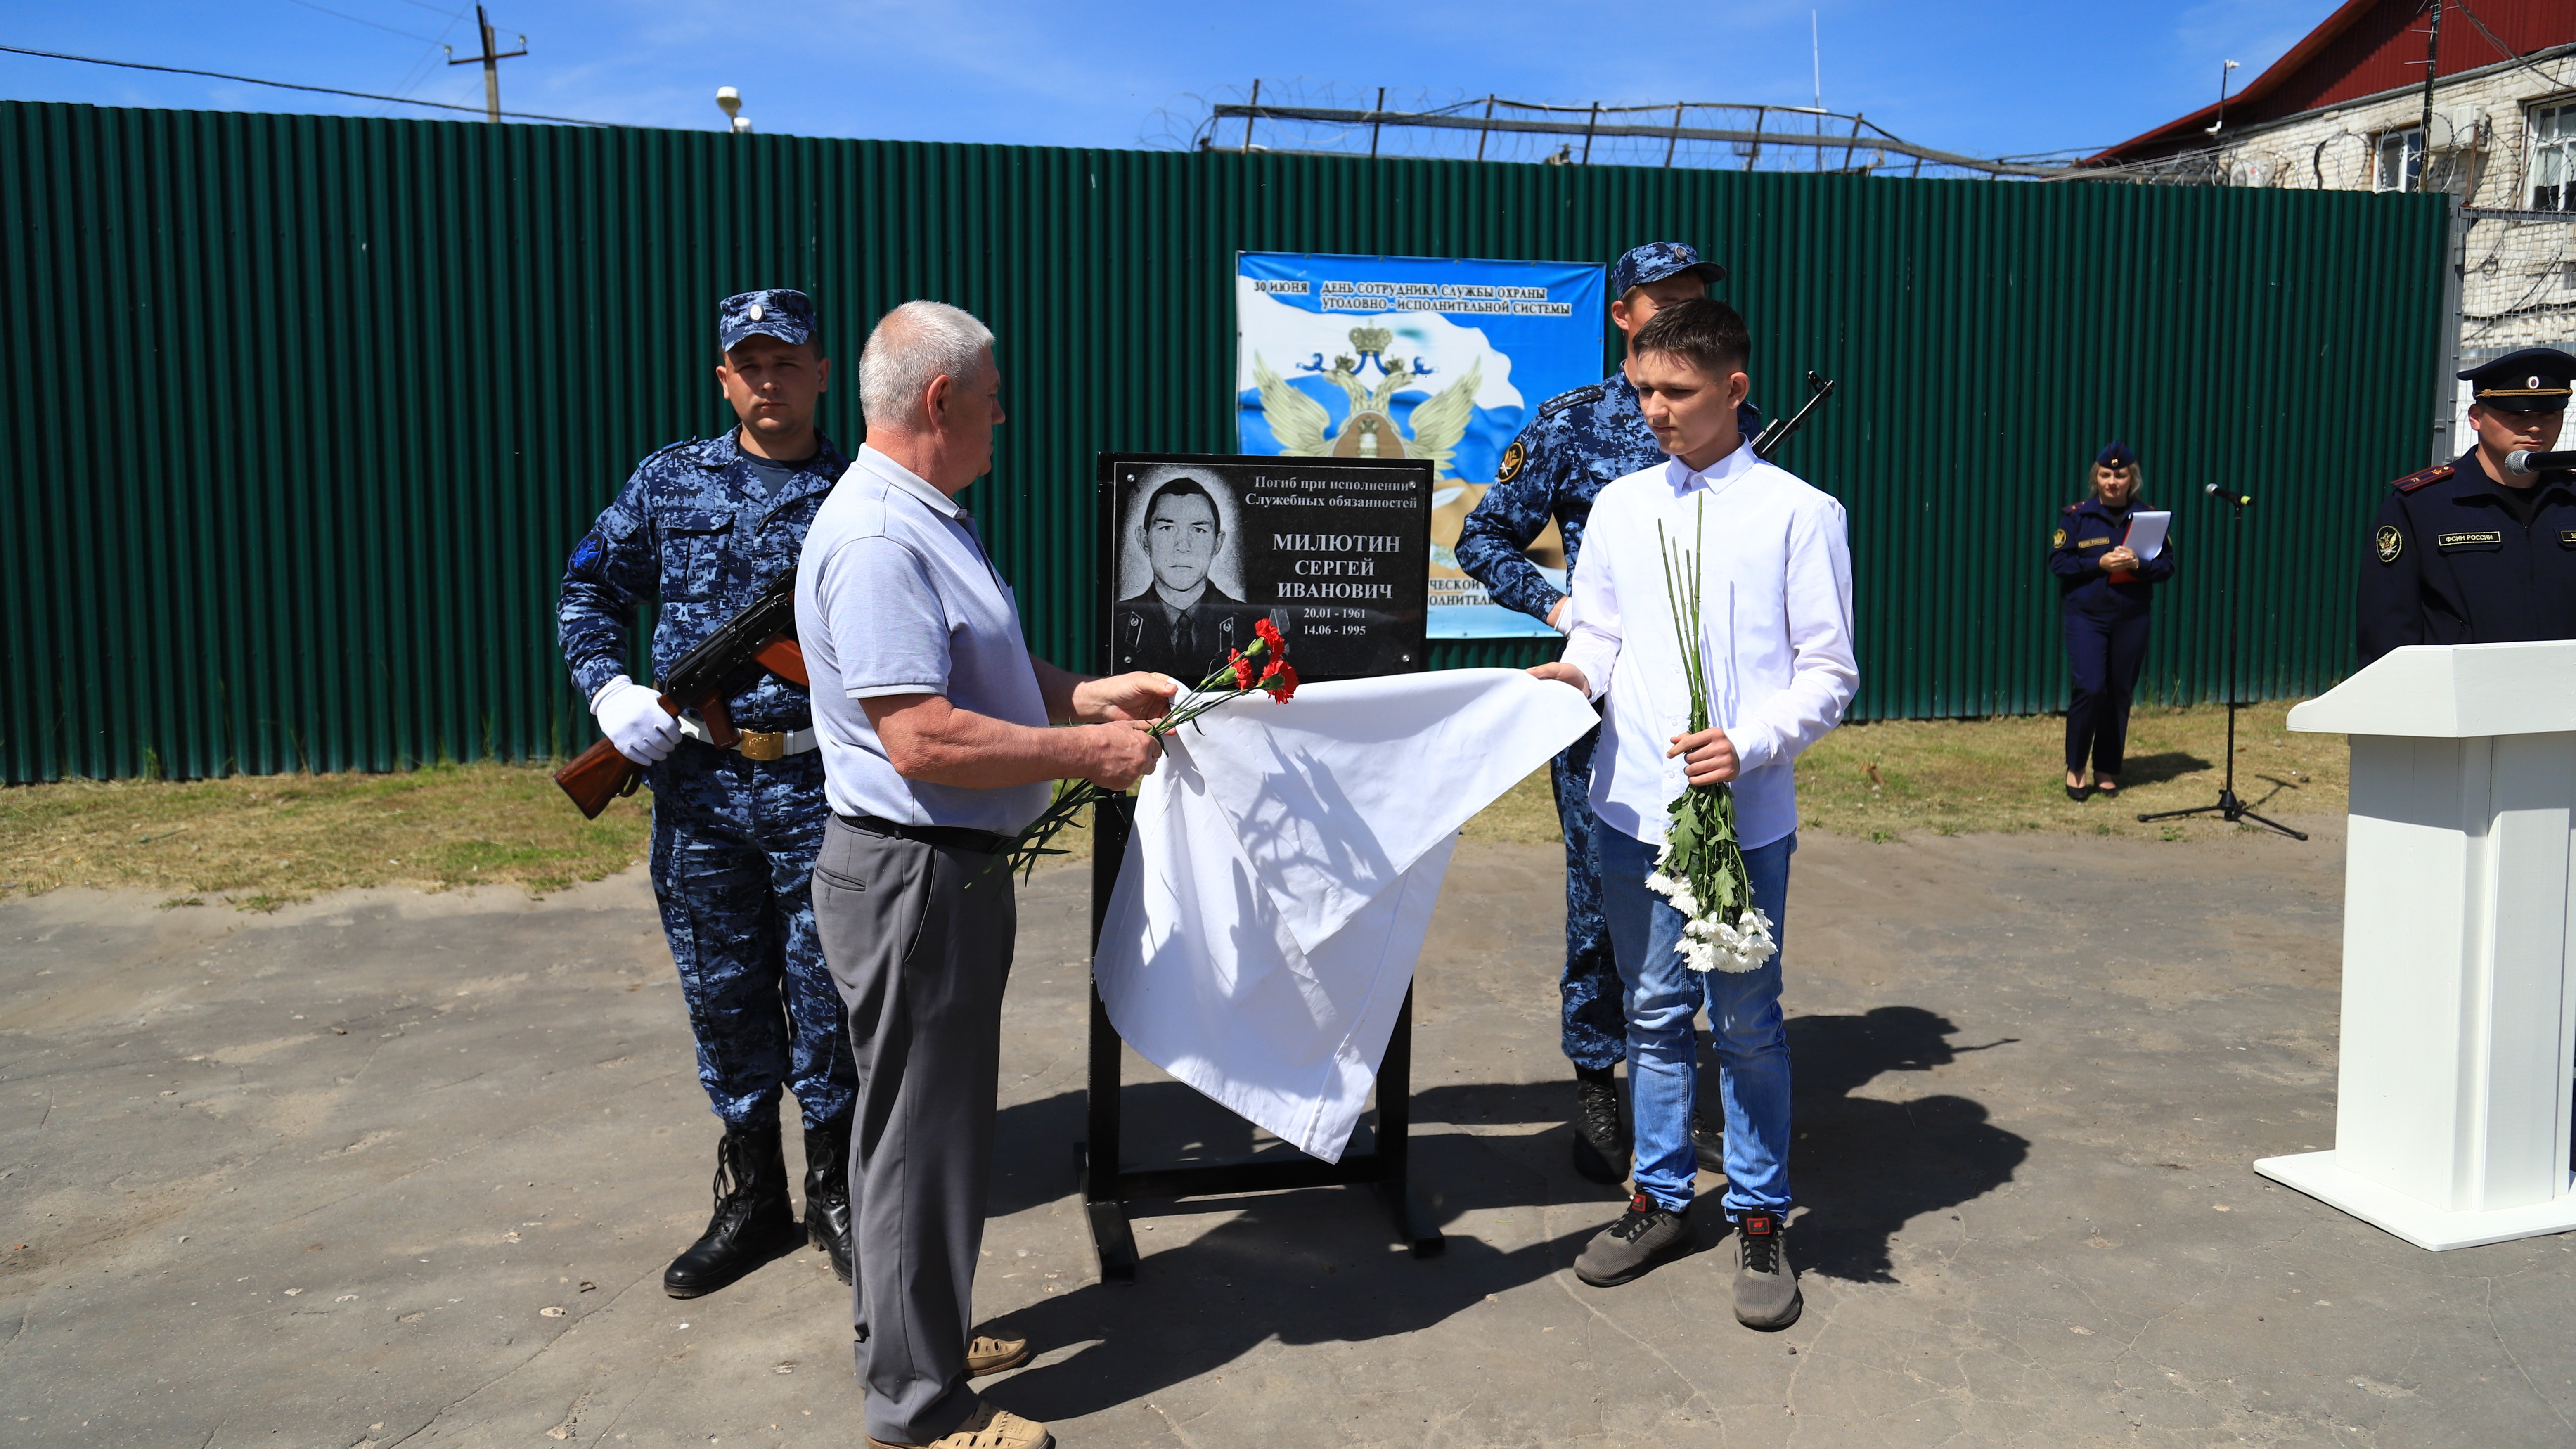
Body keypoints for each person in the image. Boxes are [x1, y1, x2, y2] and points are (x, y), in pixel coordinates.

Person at [797, 300, 1174, 1449]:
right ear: (939, 401)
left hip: (939, 871)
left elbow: (982, 674)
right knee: (917, 1135)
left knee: (935, 1129)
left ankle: (923, 1334)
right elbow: (922, 737)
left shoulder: (926, 517)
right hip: (916, 871)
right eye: (995, 391)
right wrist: (1092, 754)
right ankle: (918, 1408)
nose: (1005, 410)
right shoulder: (876, 538)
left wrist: (1085, 693)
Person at [1531, 297, 1857, 1328]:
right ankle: (1658, 1195)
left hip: (1743, 817)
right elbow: (1600, 636)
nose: (1654, 410)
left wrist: (1749, 742)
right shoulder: (1623, 506)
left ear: (1734, 388)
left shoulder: (1803, 513)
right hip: (1629, 805)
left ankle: (1759, 1211)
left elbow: (1829, 673)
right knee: (1653, 1011)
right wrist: (1565, 679)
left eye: (1674, 392)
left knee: (1748, 1023)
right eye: (1642, 390)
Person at [557, 289, 862, 1298]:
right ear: (723, 376)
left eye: (789, 361)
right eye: (751, 363)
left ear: (823, 373)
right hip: (698, 791)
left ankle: (836, 1187)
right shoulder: (669, 481)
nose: (770, 379)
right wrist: (608, 690)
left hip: (825, 783)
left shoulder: (868, 488)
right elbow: (590, 586)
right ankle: (752, 1193)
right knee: (722, 990)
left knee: (828, 999)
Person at [1455, 241, 1760, 1186]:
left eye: (1695, 304)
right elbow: (1481, 533)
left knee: (1711, 892)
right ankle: (1597, 1075)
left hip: (1709, 712)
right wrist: (1559, 608)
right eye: (1662, 304)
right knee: (1600, 901)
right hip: (1600, 710)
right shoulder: (1574, 423)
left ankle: (1681, 1084)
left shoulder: (1729, 420)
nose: (1680, 318)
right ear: (1621, 317)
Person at [2358, 348, 2576, 665]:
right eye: (2516, 415)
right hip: (2460, 700)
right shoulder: (2423, 505)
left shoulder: (2571, 498)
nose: (2534, 428)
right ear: (2476, 417)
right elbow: (2388, 626)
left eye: (2548, 415)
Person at [2048, 441, 2177, 801]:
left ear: (2131, 479)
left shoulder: (2149, 518)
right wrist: (2098, 564)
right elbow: (2059, 564)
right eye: (2106, 475)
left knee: (2119, 693)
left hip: (2132, 616)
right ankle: (2076, 767)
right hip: (2086, 616)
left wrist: (2139, 565)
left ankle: (2106, 767)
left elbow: (2167, 566)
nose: (2113, 482)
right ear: (2097, 477)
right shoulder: (2077, 517)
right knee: (2091, 688)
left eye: (2120, 475)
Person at [1113, 475, 1264, 677]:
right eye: (1167, 528)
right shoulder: (1116, 624)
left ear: (1217, 543)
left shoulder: (1251, 626)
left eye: (1199, 530)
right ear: (1144, 540)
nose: (1183, 546)